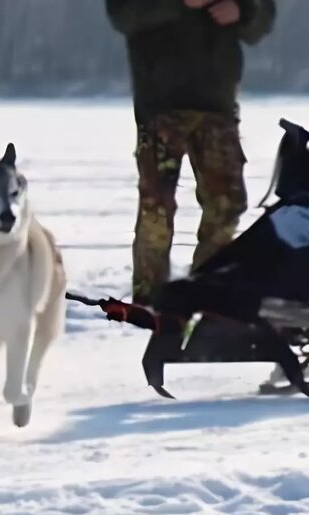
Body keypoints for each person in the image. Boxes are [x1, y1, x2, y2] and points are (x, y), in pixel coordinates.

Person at [105, 0, 276, 305]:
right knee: (156, 210)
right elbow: (122, 14)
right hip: (159, 103)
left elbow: (263, 16)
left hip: (217, 103)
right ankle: (149, 303)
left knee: (226, 207)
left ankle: (207, 297)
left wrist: (242, 11)